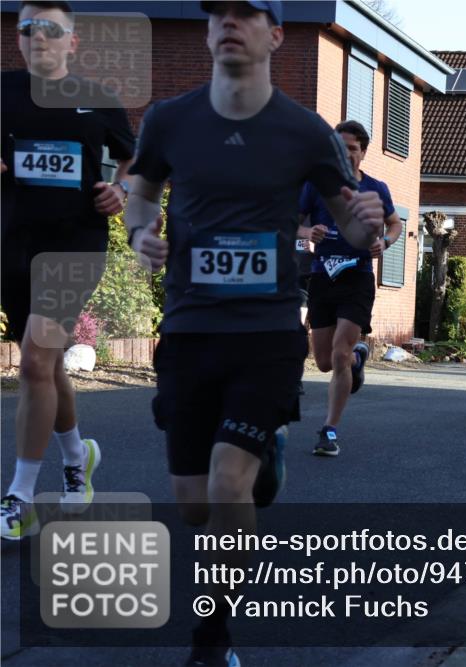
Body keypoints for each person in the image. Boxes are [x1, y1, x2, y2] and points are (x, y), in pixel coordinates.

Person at [124, 2, 385, 664]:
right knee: (192, 503)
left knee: (225, 483)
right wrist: (139, 232)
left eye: (246, 13)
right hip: (189, 327)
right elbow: (142, 191)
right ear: (208, 30)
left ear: (276, 34)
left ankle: (212, 639)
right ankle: (264, 453)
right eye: (218, 13)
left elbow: (349, 223)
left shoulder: (305, 131)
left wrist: (367, 226)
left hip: (267, 332)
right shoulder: (170, 120)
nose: (229, 23)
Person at [1, 0, 135, 539]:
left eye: (50, 29)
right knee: (47, 365)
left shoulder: (97, 99)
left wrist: (122, 189)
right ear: (19, 37)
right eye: (28, 27)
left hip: (75, 245)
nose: (38, 36)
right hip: (13, 243)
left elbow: (136, 161)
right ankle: (79, 457)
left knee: (35, 359)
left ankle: (19, 497)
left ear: (71, 42)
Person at [299, 119, 402, 456]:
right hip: (322, 276)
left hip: (357, 277)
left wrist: (385, 242)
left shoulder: (376, 188)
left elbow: (394, 223)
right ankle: (358, 357)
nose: (346, 155)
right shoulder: (315, 186)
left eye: (352, 149)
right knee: (324, 361)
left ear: (363, 153)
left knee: (339, 355)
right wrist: (308, 232)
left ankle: (329, 431)